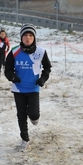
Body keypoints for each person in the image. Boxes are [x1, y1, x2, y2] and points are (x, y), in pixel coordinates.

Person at [4, 24, 52, 152]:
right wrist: (13, 77)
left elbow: (47, 68)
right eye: (25, 35)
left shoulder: (41, 52)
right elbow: (7, 69)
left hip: (33, 88)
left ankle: (34, 117)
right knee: (21, 115)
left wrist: (42, 79)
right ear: (21, 37)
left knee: (34, 114)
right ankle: (25, 139)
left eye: (30, 35)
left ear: (34, 38)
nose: (28, 38)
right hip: (18, 89)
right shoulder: (14, 52)